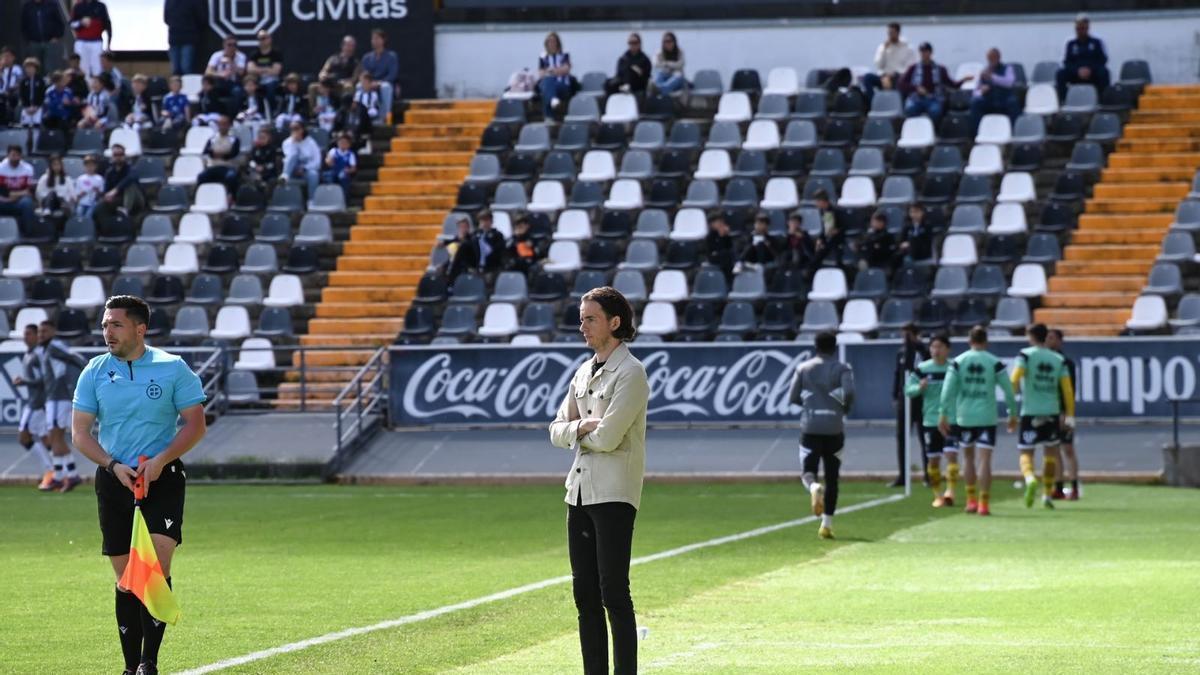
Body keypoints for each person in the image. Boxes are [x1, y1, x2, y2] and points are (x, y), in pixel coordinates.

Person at [71, 295, 206, 675]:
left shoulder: (172, 368)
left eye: (115, 324)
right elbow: (80, 433)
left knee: (156, 569)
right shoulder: (94, 371)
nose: (106, 332)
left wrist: (161, 462)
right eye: (104, 325)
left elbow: (195, 424)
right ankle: (130, 667)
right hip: (114, 480)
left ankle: (150, 662)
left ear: (139, 328)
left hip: (162, 478)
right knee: (127, 578)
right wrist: (112, 465)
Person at [549, 286, 648, 675]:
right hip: (578, 492)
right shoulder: (583, 371)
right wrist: (580, 426)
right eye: (582, 318)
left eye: (590, 319)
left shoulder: (632, 373)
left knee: (614, 593)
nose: (583, 327)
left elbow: (608, 439)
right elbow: (554, 430)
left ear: (615, 322)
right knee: (584, 595)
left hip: (613, 494)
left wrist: (577, 430)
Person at [938, 326, 1017, 516]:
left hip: (964, 417)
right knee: (985, 460)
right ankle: (984, 503)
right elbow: (1008, 389)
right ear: (986, 341)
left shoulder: (958, 362)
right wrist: (1012, 413)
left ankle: (971, 500)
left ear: (969, 340)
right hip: (987, 417)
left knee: (968, 459)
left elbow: (947, 390)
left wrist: (943, 414)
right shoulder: (994, 362)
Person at [789, 330, 855, 539]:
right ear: (834, 347)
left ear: (815, 347)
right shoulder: (842, 368)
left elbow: (793, 396)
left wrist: (809, 404)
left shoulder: (803, 368)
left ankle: (813, 487)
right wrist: (843, 408)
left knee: (808, 471)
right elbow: (850, 391)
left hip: (810, 427)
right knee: (833, 477)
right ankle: (826, 525)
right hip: (834, 428)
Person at [1011, 323, 1076, 510]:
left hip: (1030, 412)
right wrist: (1070, 415)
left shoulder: (1025, 355)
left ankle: (1030, 478)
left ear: (1031, 337)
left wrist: (1011, 405)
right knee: (1050, 454)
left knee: (1026, 452)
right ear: (1045, 337)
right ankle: (1047, 494)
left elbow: (1014, 380)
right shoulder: (1058, 359)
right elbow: (1067, 390)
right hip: (1051, 412)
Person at [905, 333, 959, 507]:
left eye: (939, 347)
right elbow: (908, 389)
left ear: (947, 349)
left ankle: (950, 491)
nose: (936, 350)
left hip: (952, 419)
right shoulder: (922, 368)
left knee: (951, 455)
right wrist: (918, 388)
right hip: (930, 420)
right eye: (933, 347)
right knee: (933, 460)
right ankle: (937, 495)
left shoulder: (954, 367)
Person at [40, 320, 89, 493]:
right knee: (54, 438)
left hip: (58, 398)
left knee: (56, 437)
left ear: (53, 331)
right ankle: (60, 476)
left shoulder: (55, 346)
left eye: (44, 331)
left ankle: (69, 475)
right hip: (54, 398)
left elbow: (73, 356)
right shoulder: (48, 349)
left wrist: (88, 369)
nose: (41, 335)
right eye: (40, 332)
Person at [12, 323, 54, 491]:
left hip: (36, 404)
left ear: (37, 336)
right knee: (45, 439)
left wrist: (24, 381)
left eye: (29, 334)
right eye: (25, 333)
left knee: (24, 437)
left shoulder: (37, 355)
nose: (25, 337)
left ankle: (51, 471)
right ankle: (61, 471)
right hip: (35, 403)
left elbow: (43, 380)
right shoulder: (30, 354)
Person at [891, 322, 929, 488]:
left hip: (920, 400)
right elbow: (897, 374)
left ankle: (929, 475)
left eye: (907, 335)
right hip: (904, 399)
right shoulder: (901, 352)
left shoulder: (923, 351)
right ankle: (903, 475)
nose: (904, 338)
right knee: (901, 437)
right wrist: (895, 395)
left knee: (924, 437)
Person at [1046, 328, 1080, 500]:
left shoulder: (1066, 363)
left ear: (1060, 341)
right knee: (1054, 449)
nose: (1049, 341)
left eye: (1052, 338)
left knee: (1068, 448)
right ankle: (1058, 486)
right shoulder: (1046, 361)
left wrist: (1067, 414)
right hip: (1050, 410)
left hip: (1065, 411)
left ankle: (1074, 486)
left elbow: (1070, 390)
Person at [899, 42, 961, 124]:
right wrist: (916, 88)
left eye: (926, 51)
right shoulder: (913, 68)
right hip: (916, 99)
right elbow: (901, 84)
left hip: (933, 99)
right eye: (922, 52)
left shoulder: (940, 69)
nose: (923, 54)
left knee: (935, 111)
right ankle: (915, 129)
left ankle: (934, 130)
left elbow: (951, 84)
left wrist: (963, 80)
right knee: (910, 109)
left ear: (931, 53)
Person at [1056, 13, 1109, 100]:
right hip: (1076, 73)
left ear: (1087, 28)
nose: (1080, 31)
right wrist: (1077, 71)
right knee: (1060, 73)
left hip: (1092, 72)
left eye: (1083, 28)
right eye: (1078, 28)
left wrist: (1090, 69)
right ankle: (1063, 101)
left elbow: (1103, 60)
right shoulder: (1070, 44)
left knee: (1104, 72)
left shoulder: (1096, 42)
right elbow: (1067, 62)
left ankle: (1103, 101)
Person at [968, 48, 1020, 133]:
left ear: (998, 57)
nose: (991, 61)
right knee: (975, 102)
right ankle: (977, 132)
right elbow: (975, 91)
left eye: (993, 58)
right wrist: (981, 91)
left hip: (1004, 98)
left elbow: (1009, 82)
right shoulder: (984, 71)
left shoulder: (1007, 68)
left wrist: (992, 77)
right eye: (989, 58)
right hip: (989, 99)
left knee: (1013, 102)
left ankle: (1014, 131)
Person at [92, 143, 143, 226]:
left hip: (135, 200)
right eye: (116, 155)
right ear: (112, 156)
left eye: (121, 154)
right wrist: (106, 196)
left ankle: (126, 210)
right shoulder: (110, 172)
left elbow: (132, 177)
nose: (118, 157)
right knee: (99, 208)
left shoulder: (131, 168)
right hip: (118, 199)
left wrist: (116, 190)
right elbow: (107, 190)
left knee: (130, 185)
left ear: (124, 155)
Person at [862, 22, 915, 101]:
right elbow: (879, 65)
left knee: (902, 82)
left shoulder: (908, 48)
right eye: (889, 33)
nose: (890, 35)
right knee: (867, 78)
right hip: (884, 78)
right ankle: (874, 102)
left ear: (898, 33)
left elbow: (910, 67)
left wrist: (894, 74)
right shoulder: (883, 47)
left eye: (892, 33)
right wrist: (884, 50)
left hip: (899, 77)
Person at [361, 28, 399, 122]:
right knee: (359, 86)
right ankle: (363, 117)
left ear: (383, 40)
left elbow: (392, 75)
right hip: (370, 83)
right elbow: (365, 74)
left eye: (377, 38)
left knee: (386, 87)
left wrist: (379, 83)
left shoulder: (391, 56)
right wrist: (369, 83)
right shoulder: (367, 58)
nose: (375, 41)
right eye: (373, 39)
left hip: (384, 83)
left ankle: (384, 117)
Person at [197, 115, 241, 195]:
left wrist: (218, 154)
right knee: (201, 176)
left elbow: (232, 154)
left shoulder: (234, 139)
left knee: (231, 177)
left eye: (224, 124)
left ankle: (233, 198)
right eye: (220, 124)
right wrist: (222, 153)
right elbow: (207, 152)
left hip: (228, 167)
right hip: (213, 166)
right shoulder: (212, 139)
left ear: (229, 125)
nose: (222, 127)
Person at [21, 0, 68, 75]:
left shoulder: (52, 5)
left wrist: (57, 36)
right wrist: (28, 39)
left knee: (50, 68)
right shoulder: (27, 7)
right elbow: (24, 25)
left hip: (50, 42)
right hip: (34, 43)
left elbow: (60, 23)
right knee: (36, 68)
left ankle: (49, 85)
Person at [314, 35, 361, 107]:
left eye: (352, 46)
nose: (350, 48)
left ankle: (345, 112)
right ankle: (313, 113)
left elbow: (354, 78)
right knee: (312, 87)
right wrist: (322, 75)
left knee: (349, 87)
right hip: (329, 83)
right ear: (342, 46)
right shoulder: (332, 58)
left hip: (343, 84)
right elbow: (324, 70)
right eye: (348, 45)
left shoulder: (356, 62)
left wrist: (343, 81)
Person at [163, 0, 207, 75]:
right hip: (174, 38)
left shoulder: (195, 2)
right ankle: (177, 86)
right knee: (175, 69)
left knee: (186, 68)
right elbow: (166, 18)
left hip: (189, 38)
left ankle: (187, 86)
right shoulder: (169, 1)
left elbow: (201, 18)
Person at [70, 0, 112, 78]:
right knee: (82, 67)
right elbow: (72, 24)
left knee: (97, 67)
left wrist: (108, 44)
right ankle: (84, 87)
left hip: (96, 41)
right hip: (81, 42)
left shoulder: (101, 6)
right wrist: (80, 22)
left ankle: (97, 87)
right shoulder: (78, 6)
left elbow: (107, 25)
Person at [0, 144, 37, 233]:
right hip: (3, 199)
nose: (15, 158)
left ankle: (28, 234)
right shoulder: (1, 168)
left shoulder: (28, 169)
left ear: (21, 156)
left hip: (20, 200)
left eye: (17, 155)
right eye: (13, 155)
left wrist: (13, 195)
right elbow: (2, 191)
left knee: (27, 203)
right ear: (8, 155)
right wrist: (14, 194)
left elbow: (29, 191)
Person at [281, 122, 321, 201]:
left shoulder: (311, 142)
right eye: (292, 129)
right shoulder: (287, 142)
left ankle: (311, 201)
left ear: (302, 129)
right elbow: (288, 159)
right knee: (294, 155)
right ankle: (284, 176)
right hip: (291, 169)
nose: (295, 131)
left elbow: (317, 162)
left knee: (314, 174)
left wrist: (304, 168)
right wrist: (294, 143)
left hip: (306, 170)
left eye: (297, 128)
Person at [537, 32, 573, 119]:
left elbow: (566, 69)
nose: (551, 44)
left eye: (553, 41)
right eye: (549, 41)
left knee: (547, 85)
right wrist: (555, 72)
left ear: (557, 43)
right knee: (547, 82)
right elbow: (540, 74)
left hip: (561, 84)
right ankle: (553, 101)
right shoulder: (543, 57)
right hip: (546, 83)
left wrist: (551, 71)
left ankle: (548, 117)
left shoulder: (564, 55)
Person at [204, 35, 247, 103]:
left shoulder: (241, 56)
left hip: (233, 82)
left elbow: (241, 72)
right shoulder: (217, 55)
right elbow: (208, 72)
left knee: (238, 91)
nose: (232, 47)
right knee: (210, 91)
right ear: (224, 45)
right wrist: (219, 74)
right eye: (229, 45)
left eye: (234, 45)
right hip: (218, 82)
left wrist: (232, 62)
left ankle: (235, 113)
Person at [811, 190, 844, 269]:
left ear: (823, 201)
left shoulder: (835, 211)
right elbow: (824, 228)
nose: (817, 204)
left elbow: (843, 226)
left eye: (818, 201)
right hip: (827, 238)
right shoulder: (822, 211)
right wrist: (820, 239)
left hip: (837, 239)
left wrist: (837, 231)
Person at [247, 30, 284, 99]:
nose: (261, 41)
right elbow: (250, 70)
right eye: (259, 39)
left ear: (269, 39)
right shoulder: (254, 54)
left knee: (270, 87)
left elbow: (276, 71)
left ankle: (272, 109)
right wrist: (267, 69)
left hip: (272, 80)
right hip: (258, 80)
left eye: (263, 38)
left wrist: (258, 70)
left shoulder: (276, 54)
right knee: (250, 85)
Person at [322, 133, 356, 199]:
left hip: (344, 172)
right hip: (333, 171)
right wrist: (329, 161)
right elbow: (327, 160)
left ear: (349, 144)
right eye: (341, 142)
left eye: (344, 142)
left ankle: (344, 200)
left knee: (343, 178)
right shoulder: (333, 151)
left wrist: (348, 170)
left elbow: (353, 168)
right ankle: (330, 198)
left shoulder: (350, 154)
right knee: (329, 177)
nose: (342, 144)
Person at [445, 216, 479, 283]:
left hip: (467, 269)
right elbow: (447, 244)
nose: (463, 229)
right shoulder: (454, 240)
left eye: (465, 227)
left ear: (468, 228)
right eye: (461, 227)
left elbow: (473, 254)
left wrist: (462, 241)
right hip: (455, 269)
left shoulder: (473, 239)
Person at [476, 209, 507, 277]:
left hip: (492, 268)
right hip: (476, 267)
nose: (484, 223)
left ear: (491, 221)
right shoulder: (475, 235)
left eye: (486, 220)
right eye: (482, 220)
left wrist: (485, 237)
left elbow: (496, 253)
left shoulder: (498, 235)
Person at [17, 58, 47, 127]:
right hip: (26, 108)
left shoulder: (40, 81)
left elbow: (42, 95)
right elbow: (21, 95)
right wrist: (26, 107)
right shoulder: (23, 81)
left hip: (37, 108)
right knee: (25, 126)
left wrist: (37, 106)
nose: (29, 69)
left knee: (36, 126)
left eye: (31, 67)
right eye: (27, 67)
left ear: (35, 68)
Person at [705, 213, 736, 280]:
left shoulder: (725, 235)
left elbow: (729, 246)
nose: (721, 224)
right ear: (712, 224)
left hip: (724, 256)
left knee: (728, 254)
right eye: (718, 222)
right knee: (724, 255)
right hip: (714, 257)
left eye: (721, 222)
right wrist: (721, 237)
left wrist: (725, 236)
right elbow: (715, 250)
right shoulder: (710, 237)